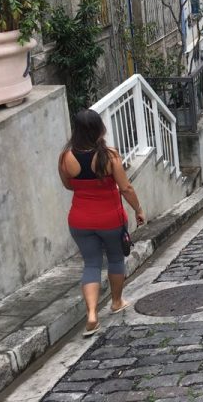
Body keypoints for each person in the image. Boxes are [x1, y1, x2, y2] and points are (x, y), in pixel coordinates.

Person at [58, 109, 145, 337]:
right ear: (99, 129)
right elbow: (125, 188)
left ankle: (91, 315)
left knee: (91, 264)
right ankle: (116, 302)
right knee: (115, 259)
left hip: (79, 220)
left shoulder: (65, 157)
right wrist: (138, 209)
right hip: (110, 219)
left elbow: (68, 185)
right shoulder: (110, 155)